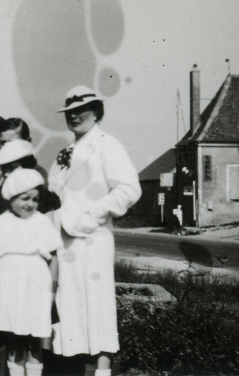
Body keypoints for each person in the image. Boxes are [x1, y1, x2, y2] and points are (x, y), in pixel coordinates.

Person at [47, 86, 141, 376]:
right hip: (64, 243)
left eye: (82, 110)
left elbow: (129, 189)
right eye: (70, 112)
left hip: (92, 240)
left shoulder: (105, 144)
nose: (75, 116)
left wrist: (92, 216)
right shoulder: (65, 152)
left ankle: (101, 372)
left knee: (96, 311)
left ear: (97, 111)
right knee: (70, 312)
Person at [0, 169, 62, 376]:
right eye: (24, 198)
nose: (30, 203)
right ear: (11, 196)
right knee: (13, 339)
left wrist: (52, 292)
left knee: (34, 339)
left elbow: (54, 258)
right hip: (8, 287)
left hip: (35, 286)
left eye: (35, 199)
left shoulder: (41, 222)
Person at [0, 140, 59, 219]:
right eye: (4, 169)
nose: (6, 173)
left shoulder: (46, 198)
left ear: (27, 166)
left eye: (12, 167)